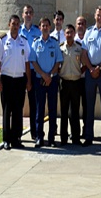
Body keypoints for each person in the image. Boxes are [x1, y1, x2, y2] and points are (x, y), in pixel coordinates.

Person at [0, 15, 31, 150]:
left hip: (20, 79)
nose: (15, 26)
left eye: (17, 24)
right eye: (13, 24)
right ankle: (6, 140)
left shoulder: (23, 41)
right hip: (7, 79)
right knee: (7, 110)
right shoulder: (2, 40)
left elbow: (27, 62)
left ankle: (16, 139)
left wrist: (28, 81)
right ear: (9, 25)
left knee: (18, 110)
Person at [81, 6, 101, 148]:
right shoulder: (88, 32)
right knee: (89, 105)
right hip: (90, 71)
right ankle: (88, 136)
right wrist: (90, 68)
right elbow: (83, 53)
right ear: (94, 16)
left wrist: (99, 68)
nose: (99, 17)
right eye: (97, 15)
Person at [30, 17, 63, 148]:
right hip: (39, 80)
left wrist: (50, 75)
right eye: (42, 26)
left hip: (52, 80)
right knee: (40, 109)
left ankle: (51, 138)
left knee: (53, 109)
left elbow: (58, 61)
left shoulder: (54, 43)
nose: (44, 28)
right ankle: (39, 137)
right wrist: (43, 75)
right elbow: (33, 61)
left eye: (47, 26)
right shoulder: (35, 43)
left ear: (50, 28)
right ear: (39, 28)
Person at [19, 4, 41, 140]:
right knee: (19, 103)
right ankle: (18, 133)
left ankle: (34, 132)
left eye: (30, 13)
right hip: (20, 72)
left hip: (33, 72)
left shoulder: (37, 32)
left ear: (33, 15)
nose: (28, 15)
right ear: (23, 15)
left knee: (34, 103)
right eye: (26, 12)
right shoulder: (17, 31)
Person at [58, 24, 83, 146]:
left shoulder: (79, 48)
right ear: (64, 34)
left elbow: (84, 64)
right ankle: (63, 138)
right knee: (64, 111)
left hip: (76, 83)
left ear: (74, 34)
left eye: (71, 32)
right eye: (67, 33)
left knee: (75, 111)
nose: (69, 35)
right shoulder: (60, 48)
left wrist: (79, 73)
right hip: (64, 82)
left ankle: (76, 137)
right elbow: (57, 65)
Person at [75, 16, 88, 138]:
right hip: (74, 79)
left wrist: (83, 69)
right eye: (79, 23)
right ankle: (75, 132)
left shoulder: (89, 40)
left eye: (83, 23)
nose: (81, 26)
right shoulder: (71, 40)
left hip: (86, 78)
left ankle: (86, 130)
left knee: (86, 106)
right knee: (74, 107)